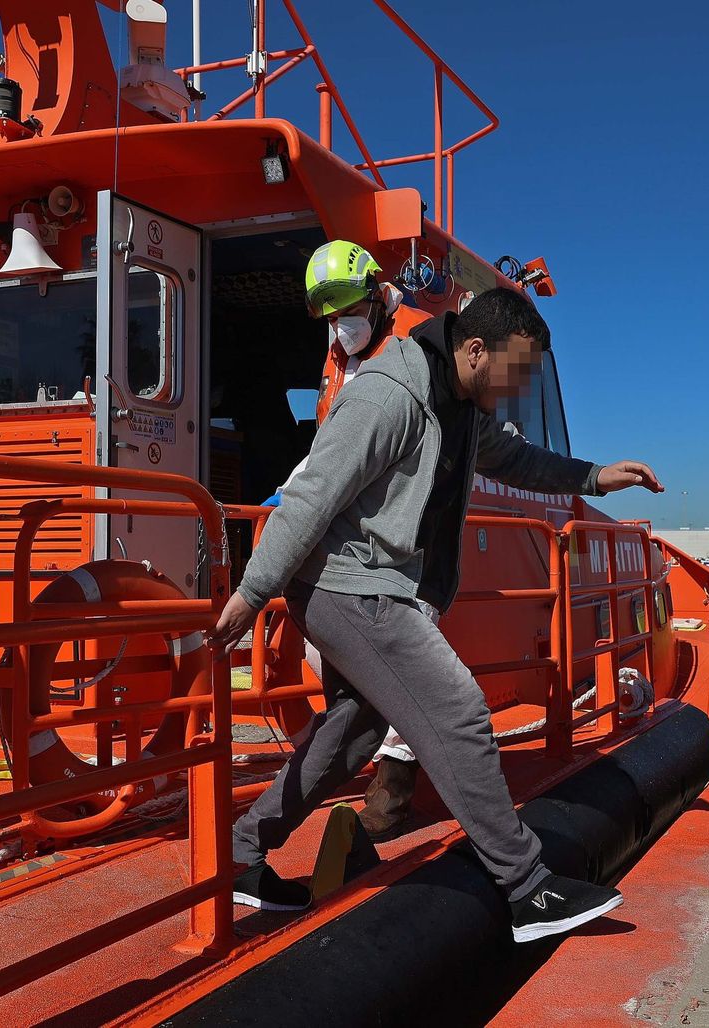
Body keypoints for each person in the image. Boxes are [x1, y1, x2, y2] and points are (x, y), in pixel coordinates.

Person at [210, 286, 664, 943]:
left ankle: (239, 855)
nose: (518, 389)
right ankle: (527, 889)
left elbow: (519, 460)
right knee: (457, 711)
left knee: (350, 736)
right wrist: (253, 593)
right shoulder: (389, 395)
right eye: (516, 372)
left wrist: (595, 477)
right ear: (475, 351)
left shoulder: (465, 405)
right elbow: (311, 494)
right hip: (350, 587)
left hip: (371, 588)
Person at [268, 240, 430, 839]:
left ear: (376, 295)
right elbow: (330, 441)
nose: (341, 324)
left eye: (348, 310)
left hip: (403, 529)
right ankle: (346, 764)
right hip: (349, 533)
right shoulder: (340, 351)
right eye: (330, 314)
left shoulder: (416, 343)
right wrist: (290, 490)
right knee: (336, 657)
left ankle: (393, 789)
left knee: (403, 658)